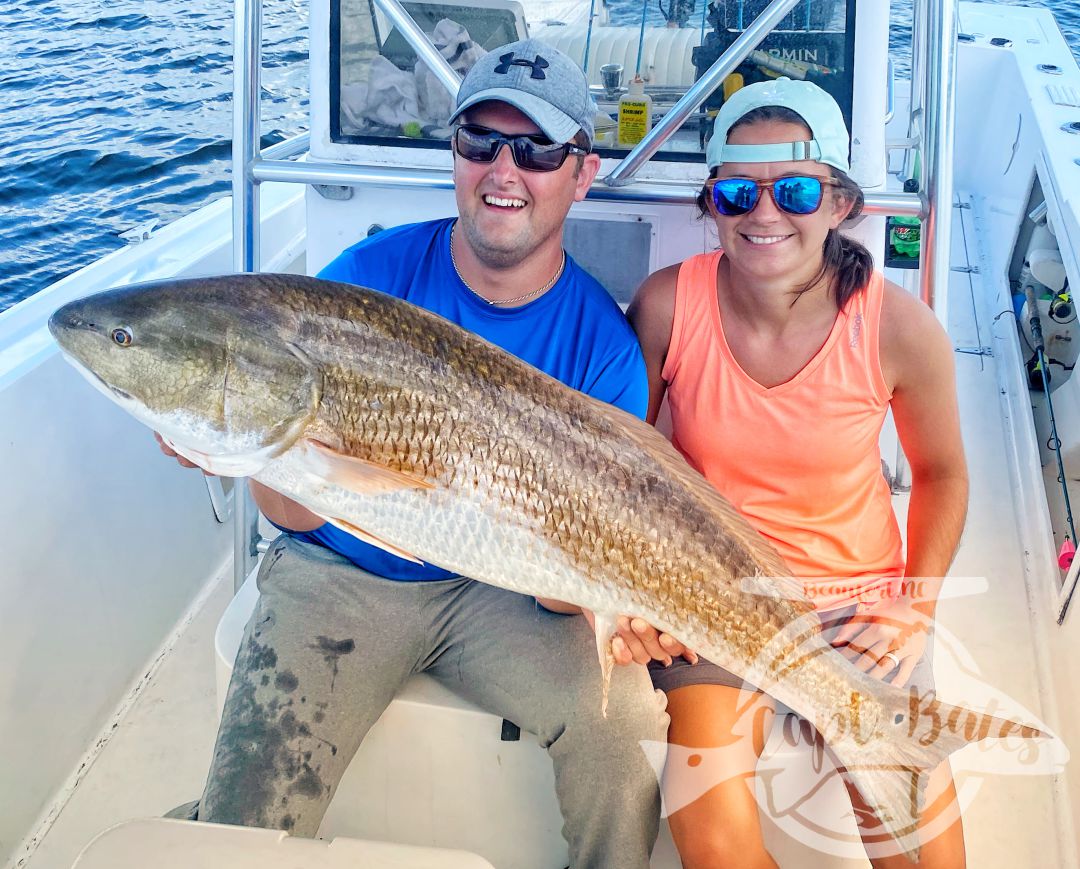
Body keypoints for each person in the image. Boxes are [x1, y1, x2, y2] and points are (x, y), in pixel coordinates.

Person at [160, 39, 668, 867]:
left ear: (581, 172)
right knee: (241, 818)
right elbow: (289, 514)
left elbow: (565, 586)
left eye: (537, 149)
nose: (505, 169)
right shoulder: (360, 283)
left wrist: (621, 602)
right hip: (341, 572)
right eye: (480, 142)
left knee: (629, 736)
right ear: (455, 155)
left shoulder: (602, 350)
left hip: (501, 590)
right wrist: (256, 446)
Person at [623, 78, 970, 868]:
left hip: (859, 609)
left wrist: (915, 608)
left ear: (842, 203)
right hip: (713, 597)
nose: (765, 213)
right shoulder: (667, 305)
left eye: (797, 190)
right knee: (708, 834)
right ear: (713, 203)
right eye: (739, 192)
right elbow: (624, 470)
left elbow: (943, 473)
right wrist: (644, 596)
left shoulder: (899, 328)